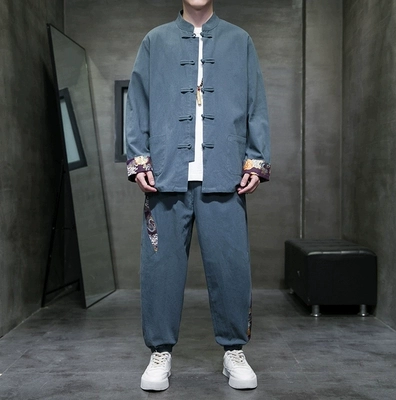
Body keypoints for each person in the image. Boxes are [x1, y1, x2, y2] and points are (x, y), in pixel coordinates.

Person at [125, 0, 270, 391]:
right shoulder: (155, 41)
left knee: (231, 267)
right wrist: (139, 158)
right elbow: (137, 101)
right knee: (160, 269)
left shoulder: (240, 40)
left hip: (224, 173)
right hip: (166, 173)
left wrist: (256, 159)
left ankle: (234, 351)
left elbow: (256, 102)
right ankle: (160, 353)